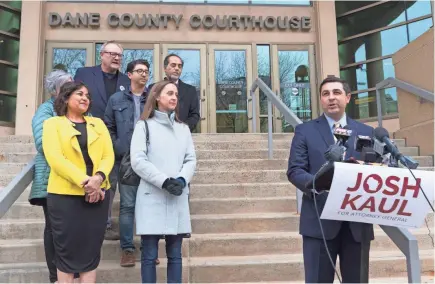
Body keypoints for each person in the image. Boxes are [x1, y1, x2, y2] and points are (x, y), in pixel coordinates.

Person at [287, 76, 374, 283]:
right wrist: (320, 185)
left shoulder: (367, 132)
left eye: (336, 93)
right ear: (320, 99)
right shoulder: (304, 131)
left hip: (357, 225)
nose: (331, 98)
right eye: (325, 94)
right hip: (319, 221)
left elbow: (375, 170)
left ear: (348, 97)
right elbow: (295, 170)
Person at [42, 81, 115, 283]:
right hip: (65, 197)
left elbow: (108, 156)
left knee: (91, 251)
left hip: (98, 195)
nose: (85, 98)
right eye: (79, 94)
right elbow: (55, 159)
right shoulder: (52, 124)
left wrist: (98, 179)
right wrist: (87, 182)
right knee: (66, 252)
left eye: (88, 95)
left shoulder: (98, 124)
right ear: (65, 98)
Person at [130, 80, 196, 283]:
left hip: (177, 195)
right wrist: (164, 181)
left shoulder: (183, 129)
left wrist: (182, 179)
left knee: (175, 254)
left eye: (176, 93)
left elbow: (190, 159)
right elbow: (138, 160)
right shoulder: (144, 126)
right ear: (157, 97)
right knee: (149, 254)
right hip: (152, 196)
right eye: (169, 93)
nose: (174, 97)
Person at [74, 40, 130, 240]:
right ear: (102, 55)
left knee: (111, 181)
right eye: (112, 54)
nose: (116, 58)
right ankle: (88, 222)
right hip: (89, 136)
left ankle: (105, 224)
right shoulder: (84, 74)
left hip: (115, 138)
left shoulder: (126, 80)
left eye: (119, 55)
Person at [28, 70, 80, 283]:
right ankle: (56, 277)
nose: (72, 88)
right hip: (51, 179)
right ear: (55, 90)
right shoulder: (46, 110)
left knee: (74, 229)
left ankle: (74, 274)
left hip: (76, 179)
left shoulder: (77, 110)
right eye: (67, 85)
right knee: (55, 230)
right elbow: (43, 143)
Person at [103, 59, 151, 267]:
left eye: (146, 71)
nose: (143, 74)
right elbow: (108, 126)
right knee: (128, 206)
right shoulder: (116, 99)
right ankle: (127, 249)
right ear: (129, 75)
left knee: (150, 204)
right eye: (139, 71)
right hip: (125, 160)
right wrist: (117, 146)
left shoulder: (154, 99)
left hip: (150, 160)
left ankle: (149, 249)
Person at [148, 54, 200, 132]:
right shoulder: (153, 88)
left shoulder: (190, 90)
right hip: (158, 134)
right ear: (165, 68)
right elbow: (149, 112)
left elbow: (194, 115)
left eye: (179, 66)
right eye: (173, 65)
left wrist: (181, 129)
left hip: (182, 135)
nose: (177, 68)